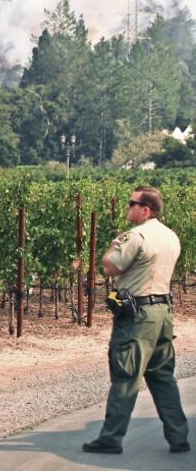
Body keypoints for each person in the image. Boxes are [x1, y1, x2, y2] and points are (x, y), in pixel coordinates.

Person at [83, 186, 190, 455]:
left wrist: (113, 245)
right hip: (163, 313)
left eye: (132, 203)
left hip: (138, 316)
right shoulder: (170, 236)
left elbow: (110, 267)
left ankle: (110, 439)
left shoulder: (135, 236)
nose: (127, 207)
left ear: (145, 210)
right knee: (163, 376)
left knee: (126, 375)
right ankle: (179, 437)